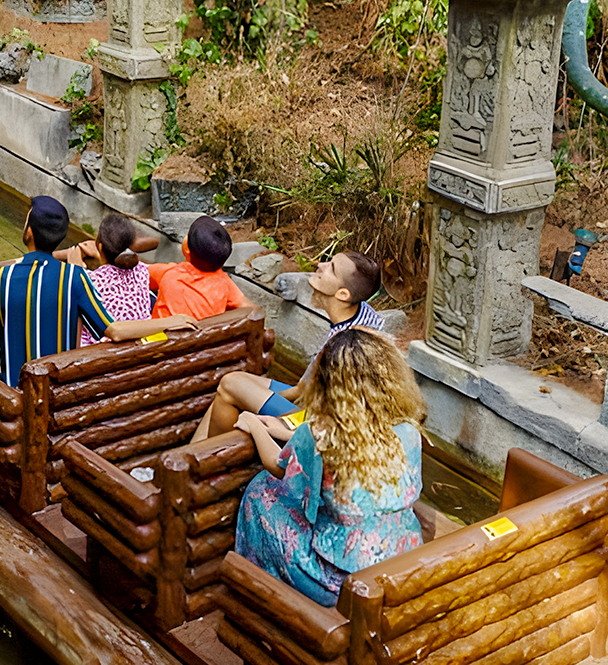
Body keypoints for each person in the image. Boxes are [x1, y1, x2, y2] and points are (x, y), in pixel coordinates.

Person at [231, 324, 425, 607]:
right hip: (399, 560)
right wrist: (292, 433)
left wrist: (253, 424)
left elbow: (276, 465)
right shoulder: (409, 430)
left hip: (337, 579)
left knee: (260, 491)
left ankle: (255, 590)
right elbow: (362, 439)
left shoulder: (318, 437)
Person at [0, 196, 195, 388]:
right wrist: (172, 321)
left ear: (29, 233)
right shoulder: (77, 277)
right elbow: (113, 330)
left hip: (10, 389)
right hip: (57, 387)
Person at [191, 250, 382, 442]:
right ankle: (194, 448)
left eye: (331, 268)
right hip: (318, 401)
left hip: (318, 422)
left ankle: (212, 456)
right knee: (238, 381)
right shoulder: (360, 313)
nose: (320, 265)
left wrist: (250, 400)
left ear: (342, 294)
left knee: (230, 384)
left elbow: (301, 392)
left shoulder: (345, 344)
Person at [68, 214, 155, 346]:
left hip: (102, 351)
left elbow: (79, 282)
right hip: (140, 343)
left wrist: (73, 264)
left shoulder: (91, 280)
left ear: (101, 247)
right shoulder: (143, 270)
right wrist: (100, 256)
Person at [148, 215, 248, 321]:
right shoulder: (224, 281)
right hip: (204, 333)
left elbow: (139, 274)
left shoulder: (169, 272)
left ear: (186, 248)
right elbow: (250, 309)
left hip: (163, 335)